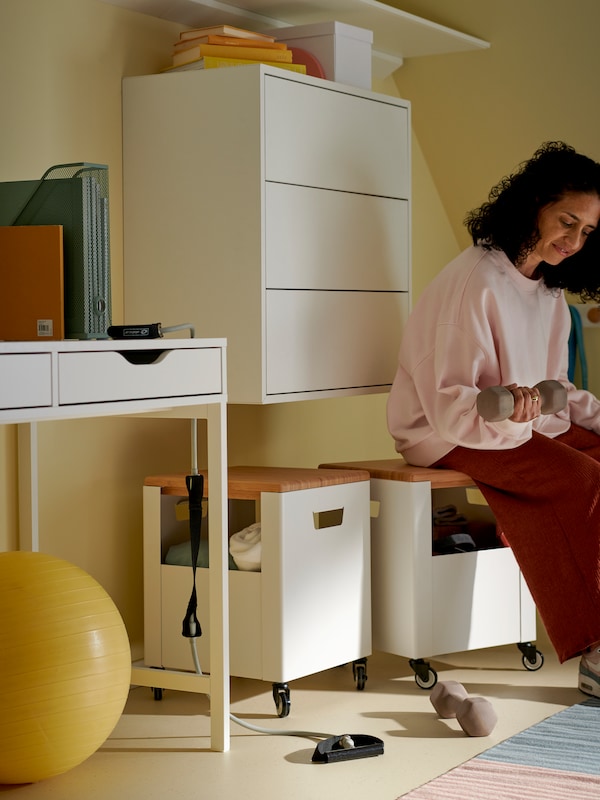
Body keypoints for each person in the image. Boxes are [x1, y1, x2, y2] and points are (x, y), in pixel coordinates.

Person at [387, 141, 600, 697]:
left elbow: (556, 390)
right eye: (566, 222)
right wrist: (516, 417)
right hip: (442, 432)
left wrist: (594, 419)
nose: (574, 241)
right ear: (533, 203)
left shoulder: (549, 291)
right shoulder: (474, 282)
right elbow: (453, 405)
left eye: (587, 232)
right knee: (580, 481)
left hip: (514, 424)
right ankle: (594, 650)